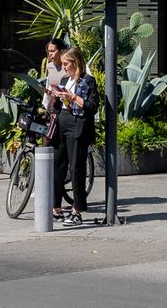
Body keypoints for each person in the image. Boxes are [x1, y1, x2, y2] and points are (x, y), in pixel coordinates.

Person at [49, 44, 97, 227]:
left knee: (77, 167)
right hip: (63, 122)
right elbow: (60, 104)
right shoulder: (65, 79)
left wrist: (73, 97)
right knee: (58, 165)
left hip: (78, 126)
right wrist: (54, 97)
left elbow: (92, 106)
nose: (64, 67)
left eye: (67, 64)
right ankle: (57, 208)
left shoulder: (87, 81)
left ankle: (77, 210)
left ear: (76, 63)